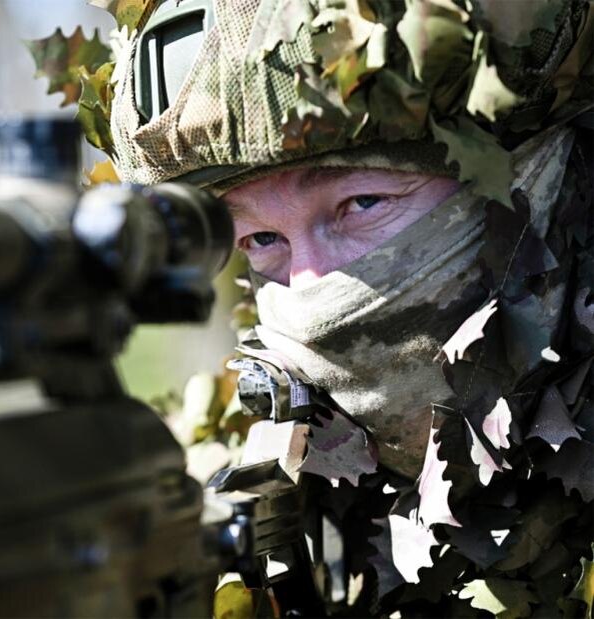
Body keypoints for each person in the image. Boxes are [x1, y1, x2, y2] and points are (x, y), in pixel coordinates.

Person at [105, 0, 593, 615]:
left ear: (544, 173)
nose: (308, 288)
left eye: (362, 203)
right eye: (261, 239)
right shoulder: (242, 492)